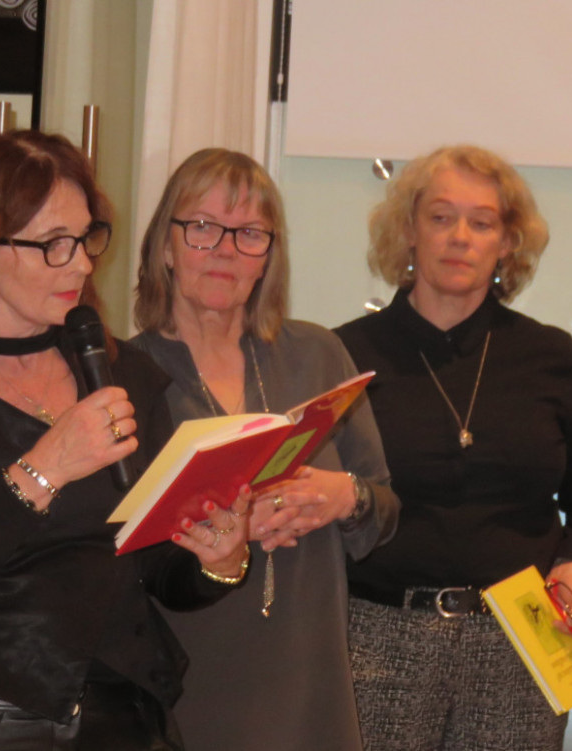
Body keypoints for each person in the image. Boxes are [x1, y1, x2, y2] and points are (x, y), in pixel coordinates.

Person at [0, 130, 251, 751]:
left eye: (84, 239)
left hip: (124, 717)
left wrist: (219, 561)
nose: (81, 264)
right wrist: (44, 469)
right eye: (53, 244)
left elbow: (155, 569)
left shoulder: (125, 374)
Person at [334, 144, 572, 751]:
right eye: (441, 217)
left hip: (523, 640)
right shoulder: (345, 355)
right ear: (409, 232)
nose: (460, 237)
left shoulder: (548, 357)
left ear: (507, 243)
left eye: (482, 222)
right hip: (376, 639)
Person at [130, 147, 400, 751]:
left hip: (309, 676)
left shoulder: (318, 354)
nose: (225, 250)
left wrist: (344, 497)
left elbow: (384, 510)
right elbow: (117, 554)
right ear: (166, 246)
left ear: (269, 257)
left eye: (250, 233)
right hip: (189, 673)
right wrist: (227, 527)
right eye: (203, 227)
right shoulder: (128, 374)